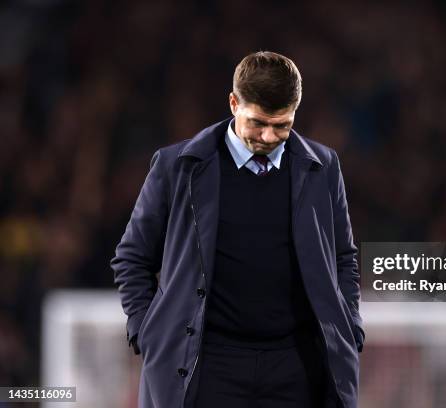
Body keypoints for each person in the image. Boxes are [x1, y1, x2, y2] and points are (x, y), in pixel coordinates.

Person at [111, 51, 364, 408]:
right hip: (207, 362)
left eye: (282, 125)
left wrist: (350, 325)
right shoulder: (176, 167)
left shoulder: (324, 167)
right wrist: (147, 331)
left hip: (297, 365)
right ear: (233, 103)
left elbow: (343, 257)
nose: (269, 135)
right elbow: (132, 257)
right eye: (258, 122)